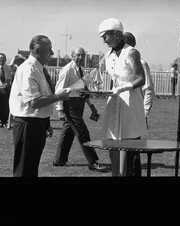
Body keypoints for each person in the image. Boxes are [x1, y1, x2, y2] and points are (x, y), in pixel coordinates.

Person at [9, 35, 71, 177]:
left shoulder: (38, 69)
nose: (52, 53)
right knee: (24, 170)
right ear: (37, 50)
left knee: (31, 168)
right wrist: (59, 96)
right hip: (28, 124)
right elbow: (34, 102)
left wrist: (45, 122)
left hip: (36, 123)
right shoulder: (29, 69)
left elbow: (40, 98)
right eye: (49, 50)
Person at [99, 18, 147, 177]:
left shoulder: (131, 52)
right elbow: (112, 78)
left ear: (116, 34)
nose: (103, 40)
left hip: (130, 103)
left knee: (128, 144)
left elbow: (141, 79)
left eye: (105, 36)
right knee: (112, 142)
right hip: (114, 102)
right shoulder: (108, 55)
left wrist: (124, 88)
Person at [53, 47, 108, 172]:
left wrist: (92, 106)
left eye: (82, 55)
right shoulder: (67, 70)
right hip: (70, 105)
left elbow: (84, 90)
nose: (80, 58)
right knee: (82, 132)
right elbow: (59, 90)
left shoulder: (81, 70)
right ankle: (93, 162)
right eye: (78, 55)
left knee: (68, 132)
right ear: (72, 56)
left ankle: (59, 160)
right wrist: (60, 109)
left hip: (79, 104)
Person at [123, 32, 155, 128]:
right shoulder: (120, 62)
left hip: (136, 110)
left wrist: (144, 114)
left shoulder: (141, 63)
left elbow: (148, 89)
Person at [7, 54, 26, 129]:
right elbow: (11, 64)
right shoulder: (14, 67)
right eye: (17, 60)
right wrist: (14, 57)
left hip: (23, 87)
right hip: (14, 88)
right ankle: (9, 123)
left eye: (20, 60)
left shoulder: (24, 67)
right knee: (12, 104)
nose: (18, 62)